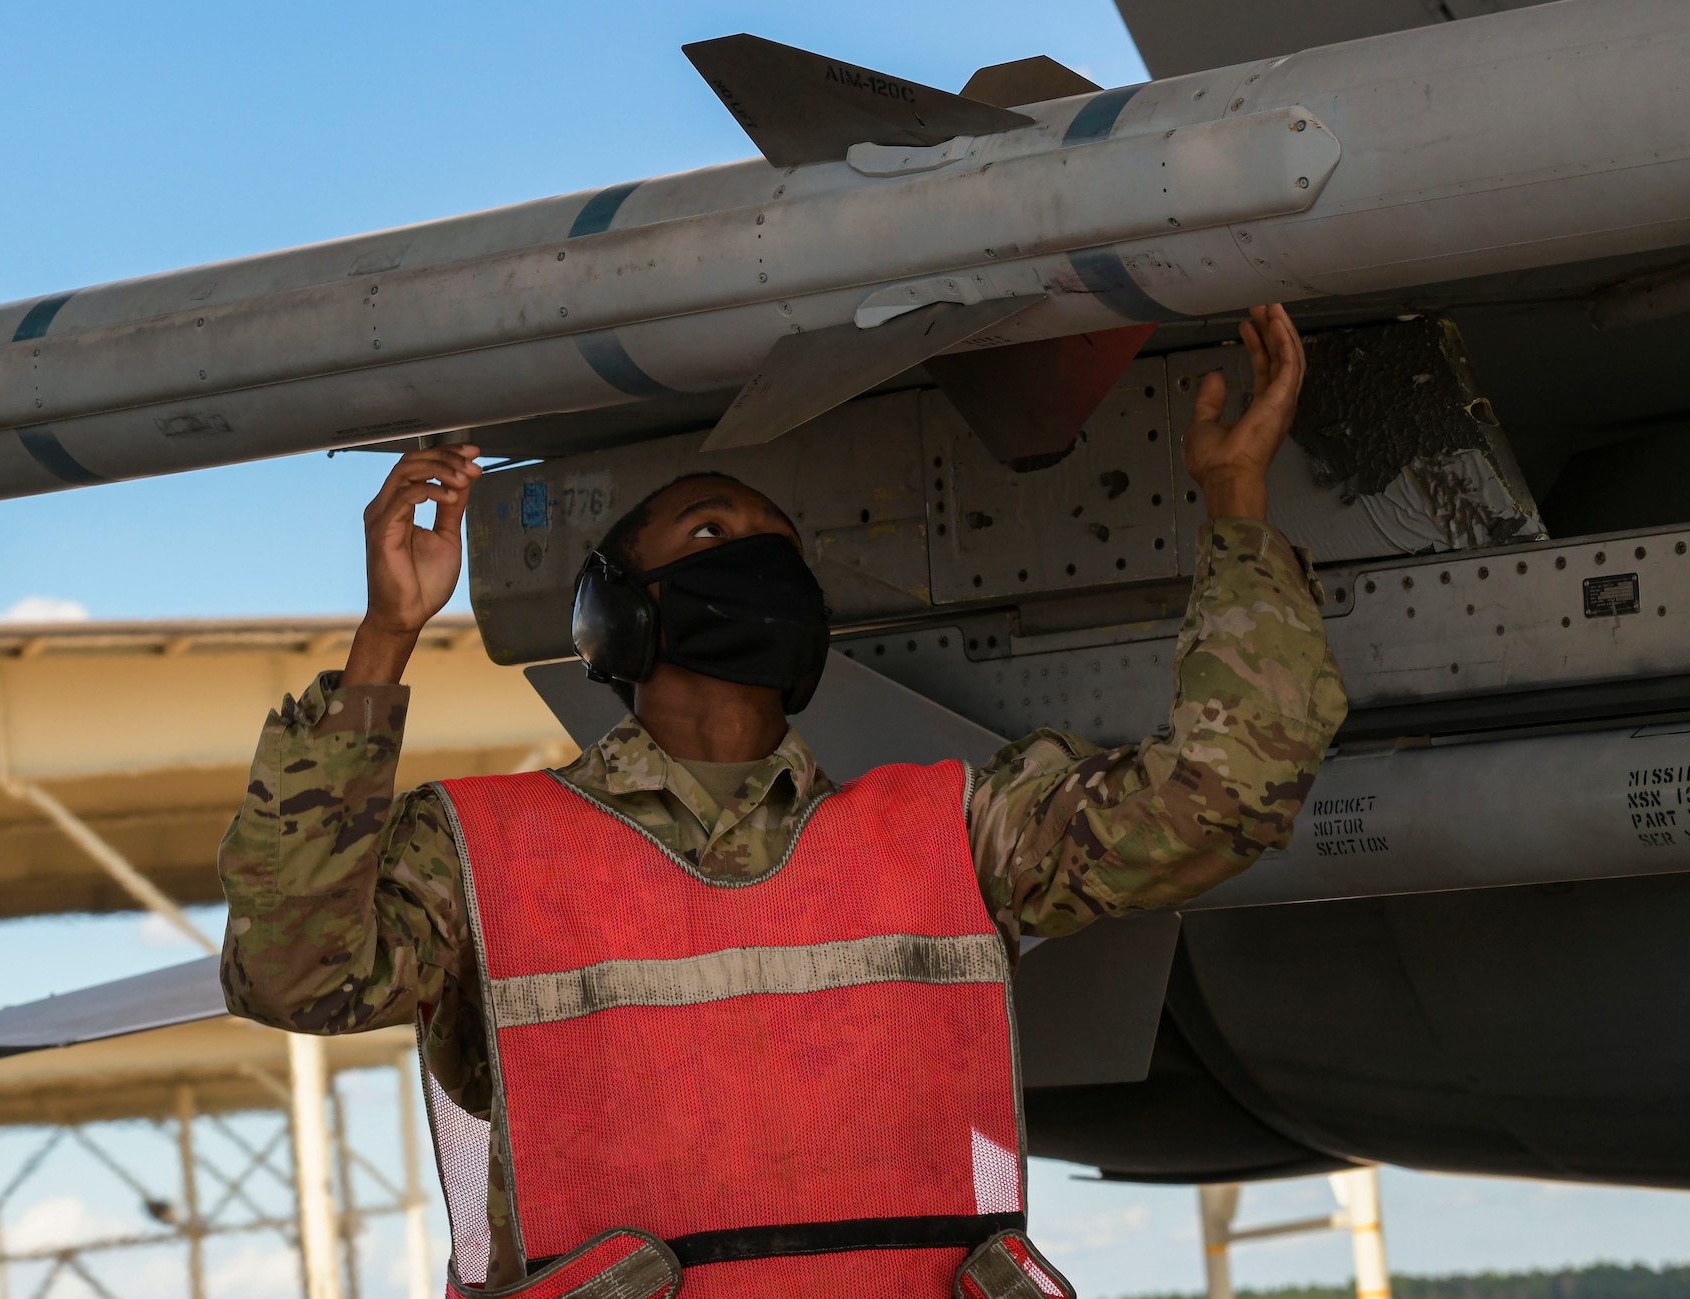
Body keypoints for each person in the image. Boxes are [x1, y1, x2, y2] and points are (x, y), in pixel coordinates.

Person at [218, 304, 1346, 1298]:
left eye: (780, 550)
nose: (757, 559)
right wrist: (386, 638)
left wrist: (1236, 506)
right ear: (619, 613)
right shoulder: (483, 855)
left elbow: (1222, 796)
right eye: (712, 534)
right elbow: (292, 975)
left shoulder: (953, 833)